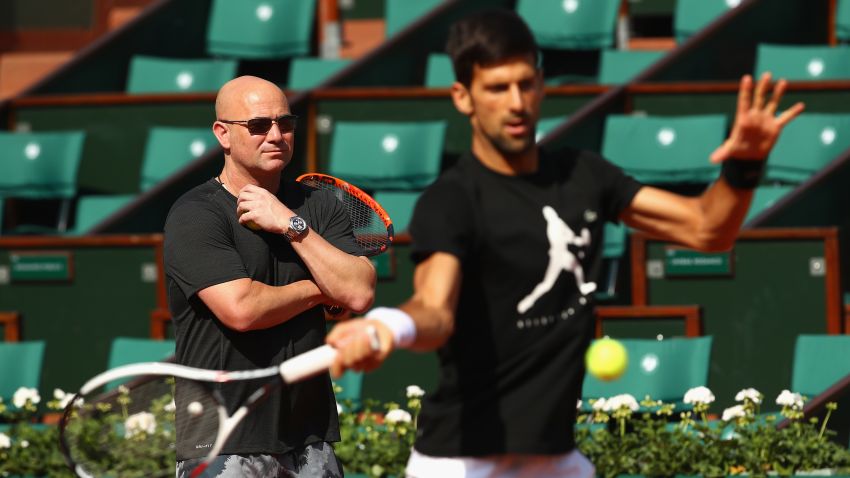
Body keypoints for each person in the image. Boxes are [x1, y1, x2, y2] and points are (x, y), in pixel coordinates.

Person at [326, 8, 804, 478]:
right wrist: (387, 326)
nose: (516, 102)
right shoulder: (452, 201)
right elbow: (435, 309)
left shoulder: (586, 177)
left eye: (525, 84)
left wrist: (744, 168)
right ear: (463, 97)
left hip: (555, 460)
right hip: (462, 462)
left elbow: (707, 229)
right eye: (496, 88)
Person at [163, 75, 377, 478]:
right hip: (224, 438)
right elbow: (241, 309)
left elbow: (360, 292)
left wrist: (289, 224)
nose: (276, 135)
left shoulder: (318, 207)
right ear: (223, 134)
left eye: (286, 123)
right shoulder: (195, 214)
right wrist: (319, 289)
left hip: (310, 435)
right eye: (259, 125)